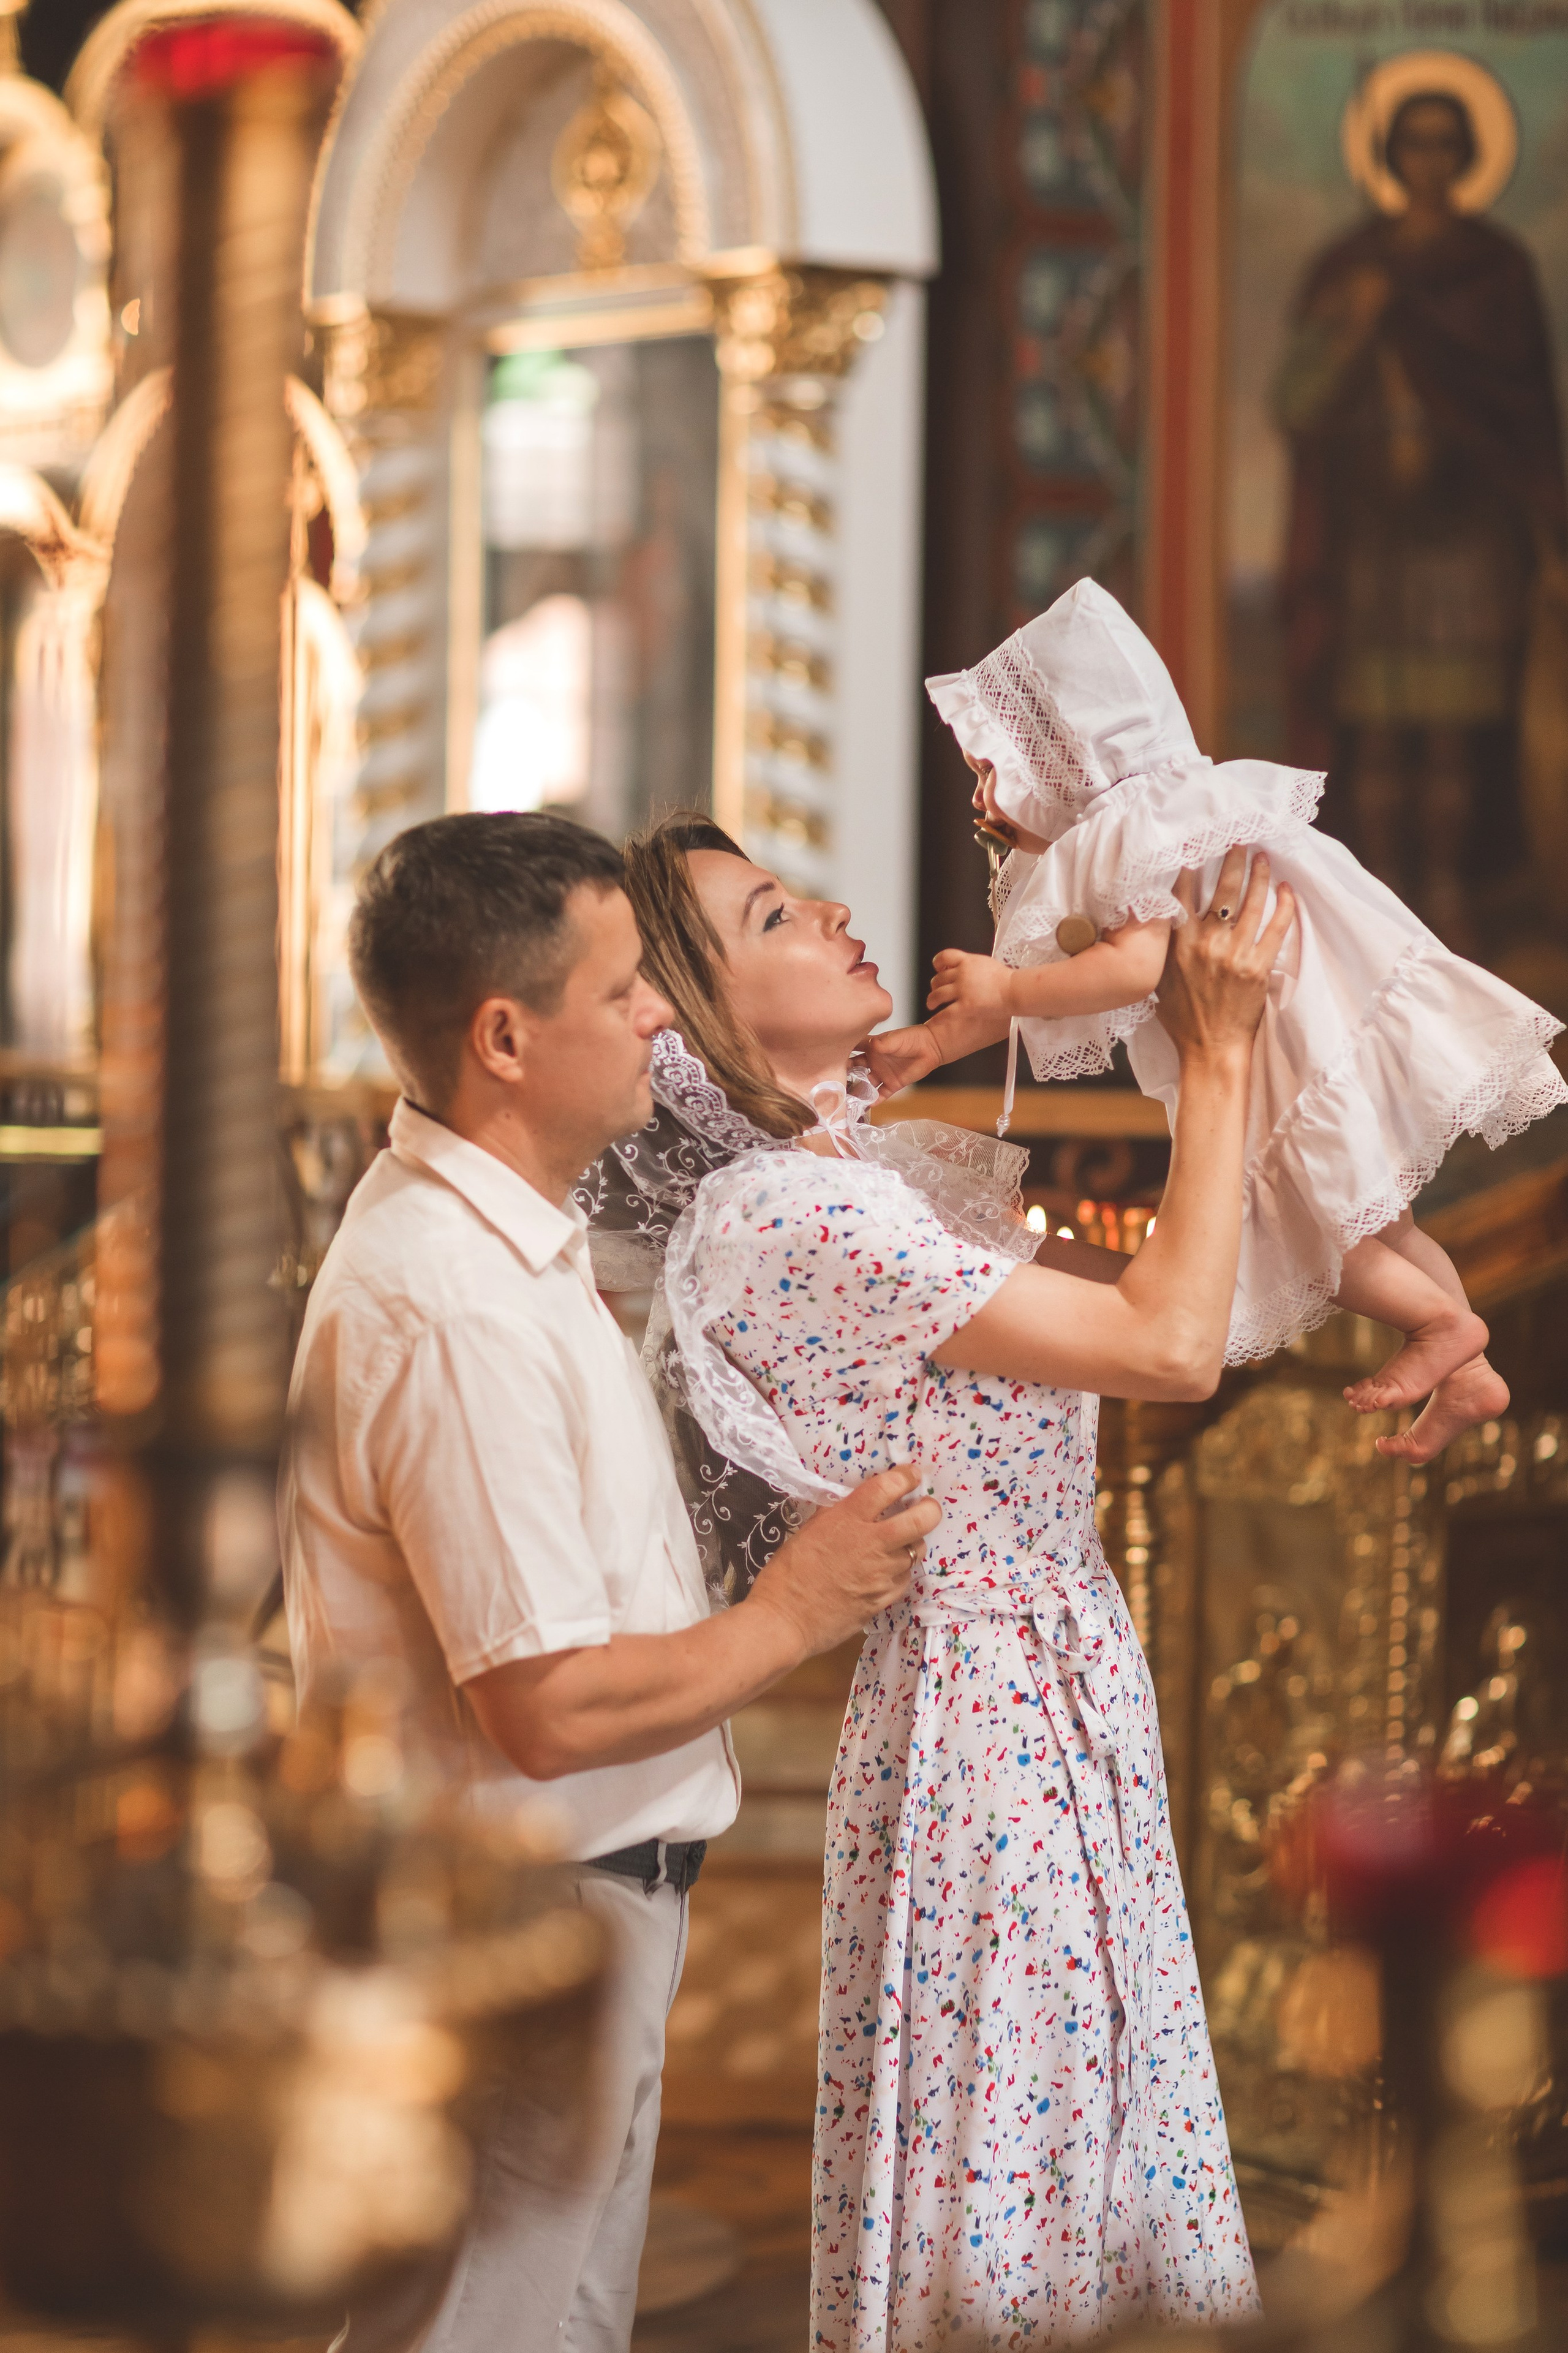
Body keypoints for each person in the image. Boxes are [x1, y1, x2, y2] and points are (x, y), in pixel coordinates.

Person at [587, 810, 1292, 2347]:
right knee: (1032, 2194)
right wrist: (1219, 1044)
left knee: (1083, 2152)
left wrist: (1074, 912)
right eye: (773, 916)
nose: (835, 911)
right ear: (699, 1017)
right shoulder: (790, 1216)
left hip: (1037, 1687)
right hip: (995, 1726)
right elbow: (1168, 1345)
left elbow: (1168, 1282)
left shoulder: (851, 1177)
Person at [277, 810, 939, 2353]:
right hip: (503, 1930)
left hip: (558, 1922)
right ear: (504, 1036)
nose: (659, 1011)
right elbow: (549, 1706)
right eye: (626, 984)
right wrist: (795, 1606)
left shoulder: (510, 1246)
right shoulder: (451, 1304)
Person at [870, 577, 1568, 1464]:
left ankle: (1436, 1322)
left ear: (1071, 758)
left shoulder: (1134, 827)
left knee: (1307, 1220)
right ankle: (1465, 1357)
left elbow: (1135, 966)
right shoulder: (1152, 817)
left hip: (1274, 1034)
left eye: (991, 768)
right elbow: (1059, 977)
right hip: (1296, 1017)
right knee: (1381, 1222)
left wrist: (1005, 994)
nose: (981, 796)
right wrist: (933, 1042)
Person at [1275, 86, 1568, 950]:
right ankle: (1377, 893)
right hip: (1375, 534)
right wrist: (1351, 327)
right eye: (1414, 143)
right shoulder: (1349, 266)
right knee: (1377, 734)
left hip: (1466, 534)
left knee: (1448, 736)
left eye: (1447, 143)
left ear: (1469, 152)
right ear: (1394, 156)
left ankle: (1445, 892)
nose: (1430, 160)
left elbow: (1526, 415)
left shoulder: (1498, 269)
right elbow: (1297, 401)